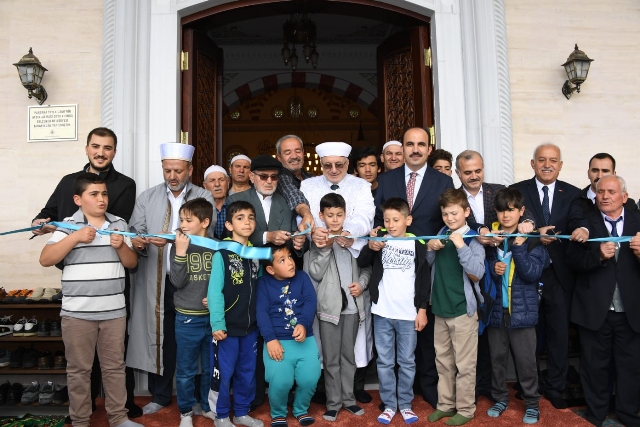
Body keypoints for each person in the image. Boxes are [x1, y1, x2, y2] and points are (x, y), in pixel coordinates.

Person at [30, 127, 140, 418]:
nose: (101, 152)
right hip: (77, 286)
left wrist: (116, 241)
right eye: (96, 146)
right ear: (88, 148)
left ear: (114, 151)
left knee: (114, 362)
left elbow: (129, 255)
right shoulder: (68, 185)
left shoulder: (124, 191)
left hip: (112, 293)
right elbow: (48, 216)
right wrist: (52, 227)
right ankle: (81, 416)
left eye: (107, 147)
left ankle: (119, 415)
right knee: (79, 367)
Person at [127, 143, 215, 415]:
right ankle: (161, 395)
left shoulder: (204, 196)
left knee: (198, 340)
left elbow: (208, 234)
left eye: (178, 170)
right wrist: (141, 243)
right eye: (168, 170)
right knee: (163, 337)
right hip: (157, 280)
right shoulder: (147, 197)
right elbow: (134, 232)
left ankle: (200, 400)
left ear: (190, 169)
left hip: (194, 281)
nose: (172, 176)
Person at [374, 127, 452, 409]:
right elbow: (377, 217)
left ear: (429, 149)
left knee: (425, 328)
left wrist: (440, 241)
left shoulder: (443, 180)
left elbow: (449, 219)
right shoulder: (386, 180)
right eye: (410, 144)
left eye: (421, 144)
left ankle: (427, 388)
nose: (415, 149)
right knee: (393, 340)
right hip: (393, 269)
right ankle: (392, 397)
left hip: (428, 265)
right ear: (402, 149)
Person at [510, 144, 587, 409]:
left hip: (559, 273)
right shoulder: (517, 190)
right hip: (527, 271)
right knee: (528, 334)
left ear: (560, 165)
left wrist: (583, 228)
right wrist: (534, 236)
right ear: (532, 164)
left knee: (558, 334)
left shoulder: (574, 194)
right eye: (541, 159)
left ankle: (555, 387)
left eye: (553, 160)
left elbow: (579, 221)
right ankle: (526, 386)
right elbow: (511, 224)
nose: (547, 164)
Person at [226, 154, 305, 409]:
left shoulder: (284, 201)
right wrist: (266, 235)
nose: (269, 181)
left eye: (274, 176)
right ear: (251, 177)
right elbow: (224, 239)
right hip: (244, 281)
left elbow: (292, 243)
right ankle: (252, 395)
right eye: (263, 176)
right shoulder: (236, 200)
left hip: (276, 281)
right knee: (251, 339)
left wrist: (298, 242)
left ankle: (279, 390)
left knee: (277, 331)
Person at [455, 149, 535, 399]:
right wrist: (479, 232)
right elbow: (449, 221)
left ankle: (501, 393)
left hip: (500, 274)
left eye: (478, 170)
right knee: (479, 339)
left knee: (497, 342)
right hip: (466, 269)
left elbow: (521, 211)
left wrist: (529, 226)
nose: (474, 176)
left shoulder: (498, 189)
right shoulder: (453, 197)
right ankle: (481, 391)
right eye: (468, 172)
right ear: (458, 173)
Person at [300, 141, 375, 406]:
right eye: (327, 165)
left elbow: (366, 216)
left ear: (348, 163)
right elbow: (306, 218)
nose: (333, 169)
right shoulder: (308, 186)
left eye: (339, 165)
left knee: (352, 342)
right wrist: (315, 232)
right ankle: (326, 391)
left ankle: (351, 391)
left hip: (351, 258)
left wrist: (347, 231)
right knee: (324, 335)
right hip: (321, 262)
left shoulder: (361, 185)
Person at [567, 175, 640, 427]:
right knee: (594, 367)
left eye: (611, 191)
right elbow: (572, 262)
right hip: (594, 310)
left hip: (632, 311)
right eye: (600, 192)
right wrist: (597, 256)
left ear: (624, 197)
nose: (605, 196)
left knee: (630, 367)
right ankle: (596, 415)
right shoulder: (583, 226)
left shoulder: (639, 223)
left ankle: (629, 415)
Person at [358, 198, 430, 425]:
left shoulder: (417, 244)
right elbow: (362, 262)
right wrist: (370, 245)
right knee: (385, 362)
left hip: (409, 314)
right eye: (387, 220)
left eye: (396, 220)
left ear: (408, 220)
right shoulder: (379, 241)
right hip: (382, 312)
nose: (390, 224)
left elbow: (424, 280)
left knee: (407, 361)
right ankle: (389, 404)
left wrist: (422, 310)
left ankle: (406, 404)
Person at [303, 193, 372, 422]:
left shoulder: (352, 240)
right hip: (329, 309)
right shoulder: (317, 241)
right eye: (330, 215)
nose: (334, 220)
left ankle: (349, 400)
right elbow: (314, 272)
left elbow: (366, 268)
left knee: (348, 357)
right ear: (321, 216)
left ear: (346, 215)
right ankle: (333, 403)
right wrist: (324, 248)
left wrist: (360, 285)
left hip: (352, 307)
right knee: (331, 359)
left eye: (339, 215)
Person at [426, 188, 485, 426]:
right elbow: (429, 265)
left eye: (454, 213)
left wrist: (461, 246)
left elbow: (477, 273)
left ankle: (466, 409)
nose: (450, 219)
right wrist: (430, 248)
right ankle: (446, 405)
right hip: (440, 308)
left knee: (465, 364)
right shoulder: (441, 233)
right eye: (445, 214)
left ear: (466, 212)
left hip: (463, 311)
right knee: (443, 362)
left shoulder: (473, 238)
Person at [485, 188, 544, 424]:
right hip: (497, 310)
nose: (505, 215)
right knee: (496, 359)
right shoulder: (491, 239)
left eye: (511, 210)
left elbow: (532, 273)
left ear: (521, 212)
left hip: (523, 312)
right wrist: (493, 268)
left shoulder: (532, 240)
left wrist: (519, 246)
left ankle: (532, 403)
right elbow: (483, 268)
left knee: (526, 361)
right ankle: (500, 398)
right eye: (501, 211)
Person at [208, 200, 263, 427]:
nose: (247, 222)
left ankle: (241, 411)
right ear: (229, 225)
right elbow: (214, 291)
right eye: (240, 218)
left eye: (250, 217)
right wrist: (217, 323)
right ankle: (221, 415)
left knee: (247, 372)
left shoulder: (254, 254)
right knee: (224, 373)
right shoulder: (222, 253)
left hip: (250, 328)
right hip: (227, 329)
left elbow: (258, 288)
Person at [256, 244, 321, 427]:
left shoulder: (302, 277)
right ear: (270, 269)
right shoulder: (263, 283)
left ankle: (301, 409)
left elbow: (310, 301)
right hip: (277, 342)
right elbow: (261, 312)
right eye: (282, 260)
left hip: (304, 339)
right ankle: (278, 413)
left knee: (310, 378)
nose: (290, 263)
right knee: (280, 382)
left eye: (290, 257)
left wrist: (303, 323)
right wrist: (270, 339)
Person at [170, 198, 216, 427]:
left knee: (210, 368)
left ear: (205, 222)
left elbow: (225, 282)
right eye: (181, 220)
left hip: (213, 319)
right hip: (187, 318)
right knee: (186, 369)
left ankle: (207, 406)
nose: (183, 224)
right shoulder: (178, 244)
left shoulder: (218, 245)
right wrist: (180, 252)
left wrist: (218, 299)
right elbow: (177, 282)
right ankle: (186, 411)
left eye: (189, 220)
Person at [274, 135, 315, 231]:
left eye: (298, 151)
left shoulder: (308, 177)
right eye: (288, 153)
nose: (294, 156)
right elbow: (294, 195)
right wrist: (306, 214)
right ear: (279, 157)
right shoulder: (280, 176)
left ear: (303, 153)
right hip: (289, 236)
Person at [203, 165, 230, 239]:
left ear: (228, 182)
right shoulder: (200, 209)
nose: (217, 184)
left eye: (221, 180)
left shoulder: (235, 206)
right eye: (212, 180)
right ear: (205, 185)